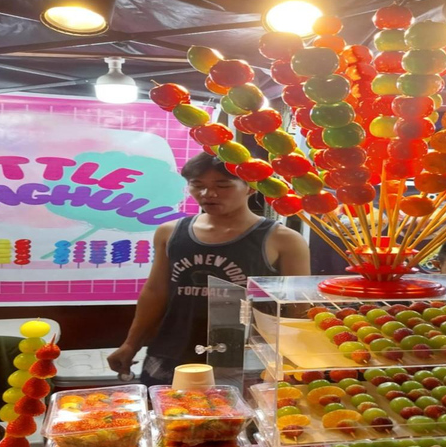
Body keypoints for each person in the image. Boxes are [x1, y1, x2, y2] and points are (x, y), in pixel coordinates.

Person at [107, 152, 311, 386]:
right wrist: (130, 344)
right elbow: (155, 292)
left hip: (245, 358)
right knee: (170, 417)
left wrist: (294, 362)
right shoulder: (169, 232)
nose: (208, 194)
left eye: (222, 185)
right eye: (197, 185)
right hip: (173, 350)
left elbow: (298, 307)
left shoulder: (283, 239)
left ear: (251, 187)